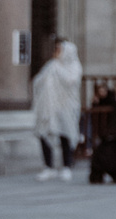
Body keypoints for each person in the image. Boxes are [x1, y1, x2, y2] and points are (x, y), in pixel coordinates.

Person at [30, 37, 83, 181]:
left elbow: (71, 81)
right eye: (56, 49)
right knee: (44, 132)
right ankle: (48, 166)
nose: (56, 52)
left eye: (59, 50)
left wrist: (56, 70)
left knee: (65, 133)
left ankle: (66, 166)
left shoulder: (74, 66)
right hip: (49, 106)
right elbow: (37, 81)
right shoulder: (51, 65)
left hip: (65, 106)